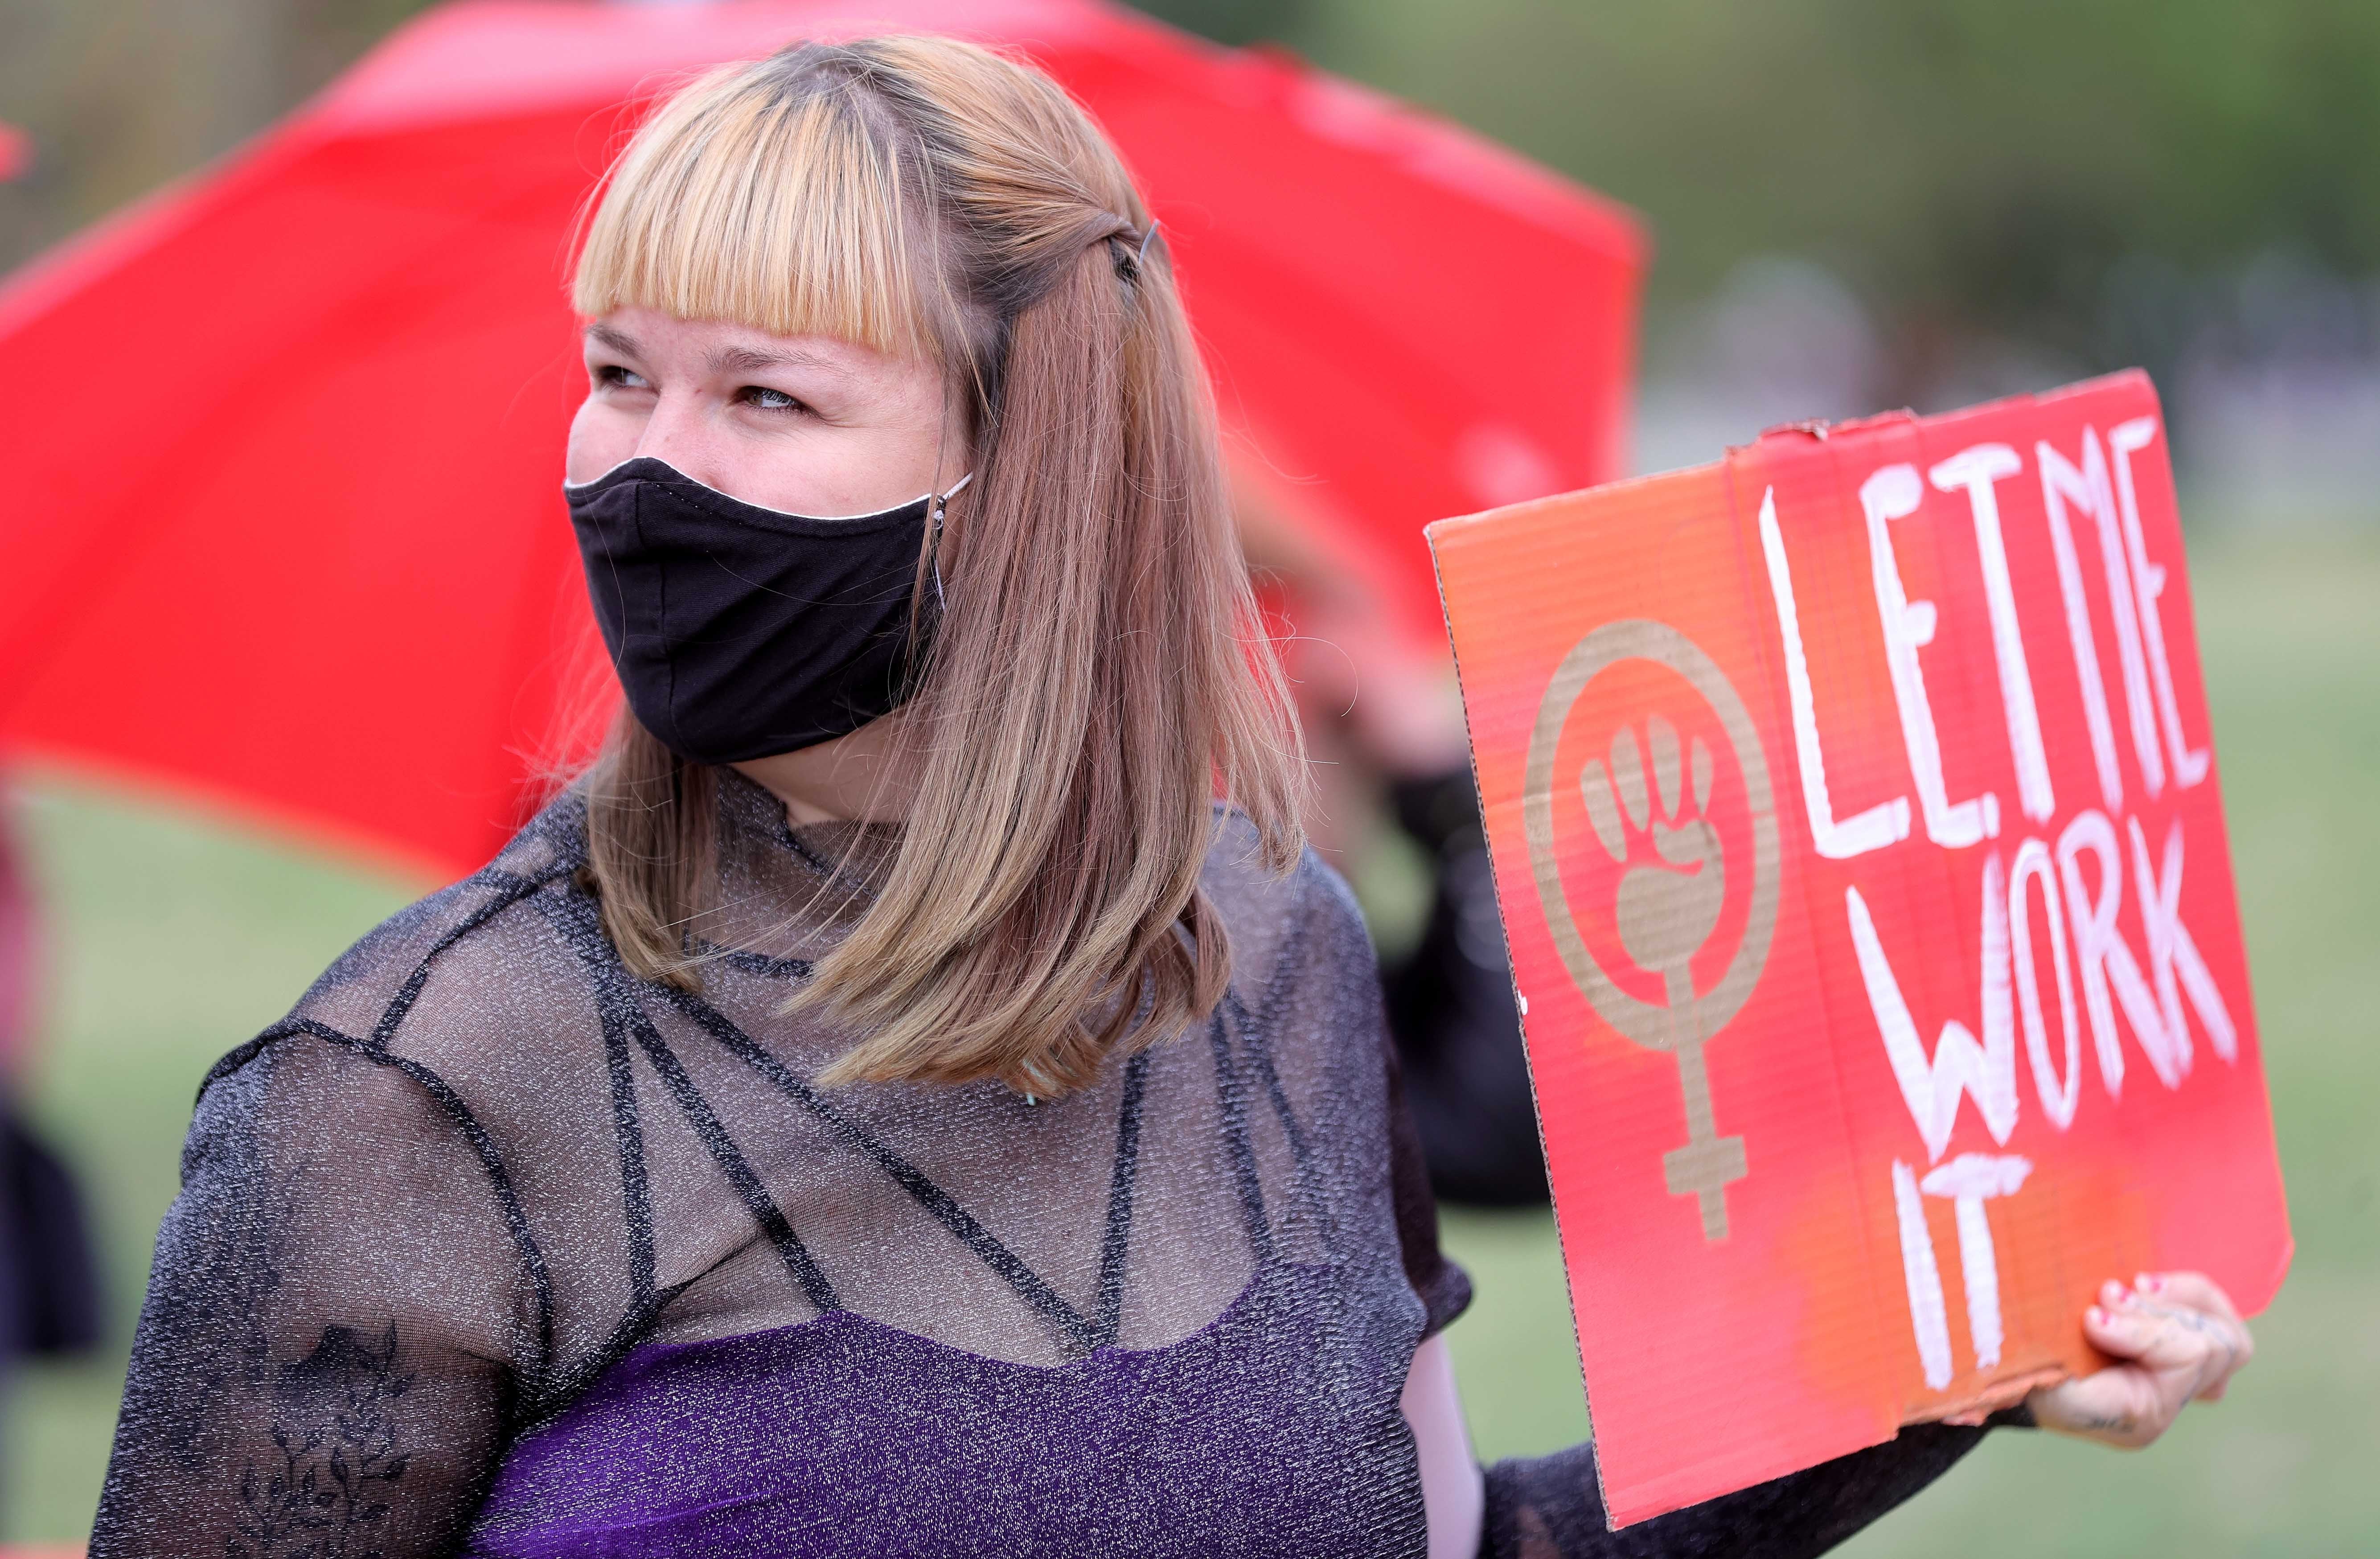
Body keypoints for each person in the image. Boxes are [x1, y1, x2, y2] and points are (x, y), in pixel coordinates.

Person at [87, 36, 2253, 1558]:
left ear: (1028, 476)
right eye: (617, 373)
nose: (648, 468)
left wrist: (1944, 1365)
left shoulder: (1274, 949)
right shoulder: (417, 1084)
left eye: (767, 392)